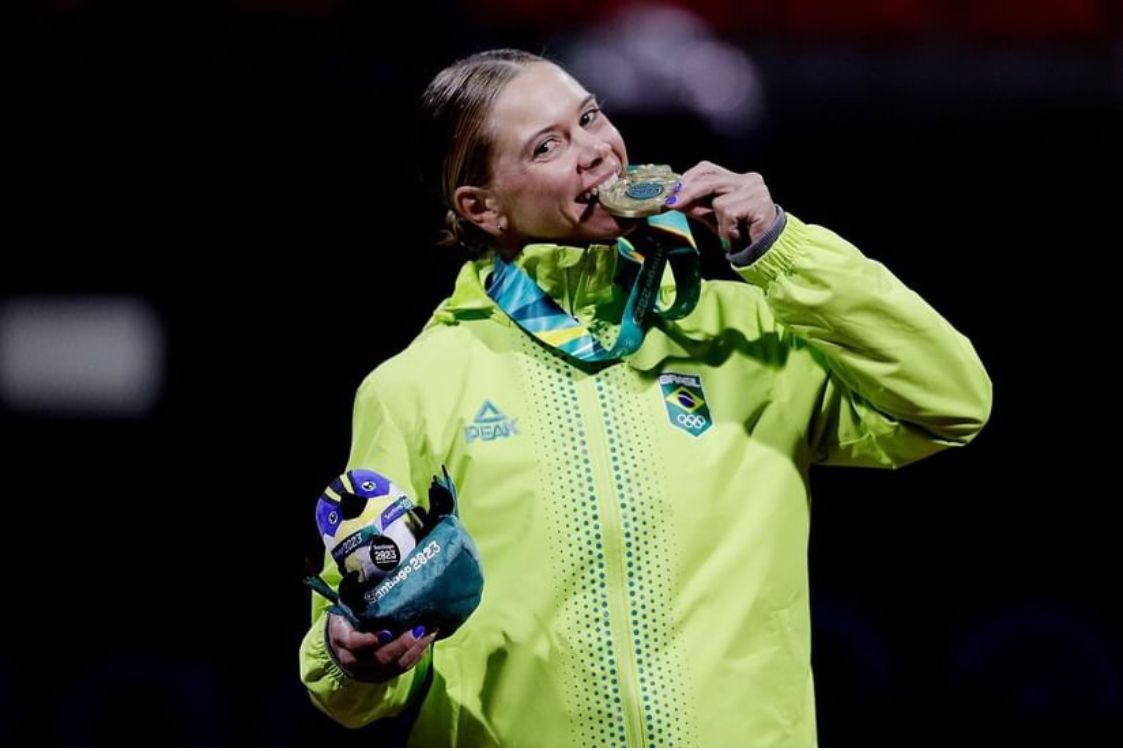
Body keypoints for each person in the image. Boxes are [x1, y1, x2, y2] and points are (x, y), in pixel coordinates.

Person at [298, 48, 992, 746]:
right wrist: (353, 656)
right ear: (483, 207)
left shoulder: (747, 332)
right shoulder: (419, 386)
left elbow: (950, 401)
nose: (595, 152)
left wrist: (783, 250)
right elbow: (353, 661)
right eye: (547, 146)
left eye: (589, 117)